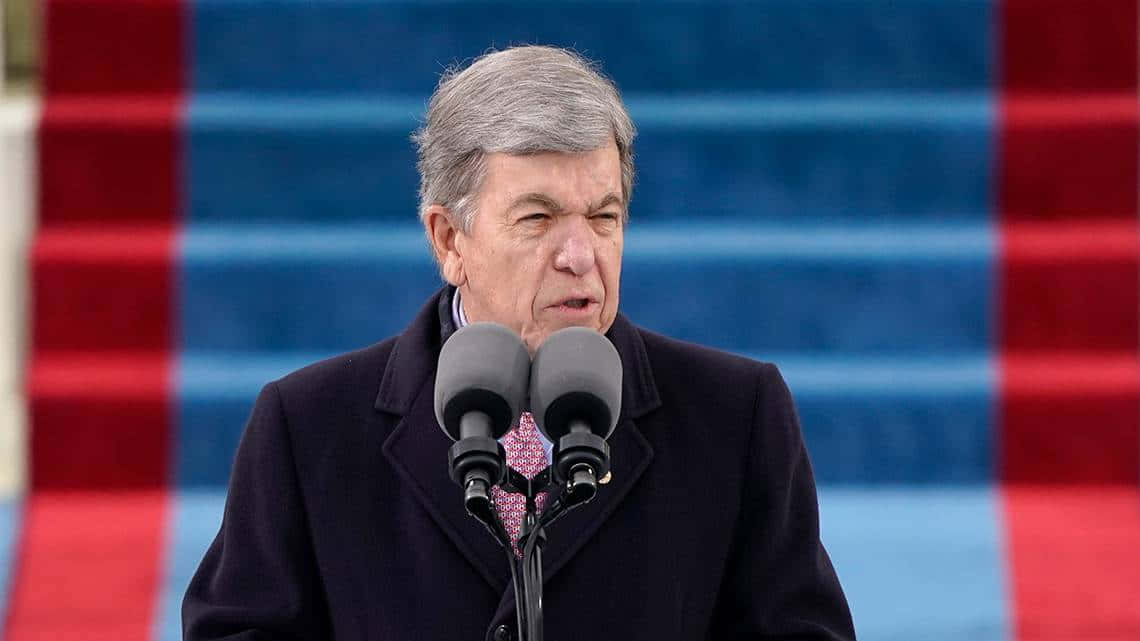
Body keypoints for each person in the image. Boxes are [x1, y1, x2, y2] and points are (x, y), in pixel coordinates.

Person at [182, 45, 855, 641]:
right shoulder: (308, 426)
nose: (580, 255)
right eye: (538, 218)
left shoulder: (734, 415)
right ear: (449, 239)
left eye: (603, 217)